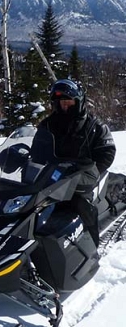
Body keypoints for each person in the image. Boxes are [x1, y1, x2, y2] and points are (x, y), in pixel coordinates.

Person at [36, 78, 116, 246]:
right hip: (53, 175)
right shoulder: (48, 124)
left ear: (78, 101)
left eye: (68, 102)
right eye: (60, 102)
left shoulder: (94, 126)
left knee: (80, 203)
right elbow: (37, 149)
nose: (64, 106)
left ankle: (91, 247)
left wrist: (92, 169)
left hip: (82, 175)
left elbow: (107, 152)